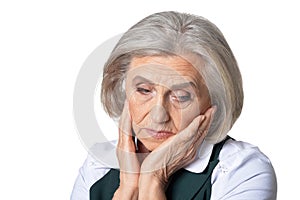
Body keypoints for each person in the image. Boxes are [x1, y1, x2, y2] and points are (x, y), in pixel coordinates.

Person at [71, 11, 277, 199]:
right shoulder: (98, 165)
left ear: (214, 101)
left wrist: (153, 180)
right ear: (123, 91)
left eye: (181, 96)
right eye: (144, 90)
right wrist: (128, 186)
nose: (158, 115)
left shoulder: (241, 169)